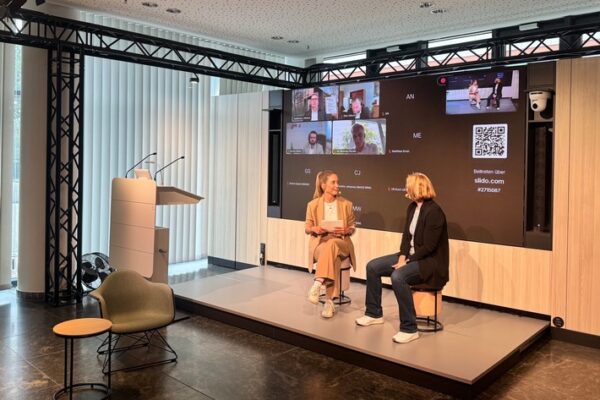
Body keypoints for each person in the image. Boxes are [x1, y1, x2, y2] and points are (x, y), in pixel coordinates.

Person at [355, 172, 449, 344]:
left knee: (398, 276)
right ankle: (374, 313)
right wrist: (403, 256)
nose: (405, 189)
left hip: (429, 262)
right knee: (372, 267)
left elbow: (429, 247)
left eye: (408, 185)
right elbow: (406, 237)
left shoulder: (434, 212)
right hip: (410, 257)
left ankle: (409, 328)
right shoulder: (412, 207)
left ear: (417, 187)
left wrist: (406, 261)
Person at [305, 171, 356, 318]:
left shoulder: (346, 204)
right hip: (321, 243)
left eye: (337, 182)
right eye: (333, 182)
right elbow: (307, 228)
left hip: (342, 242)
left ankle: (317, 283)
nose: (337, 185)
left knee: (333, 244)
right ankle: (329, 302)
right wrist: (315, 229)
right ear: (323, 185)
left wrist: (347, 230)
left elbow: (352, 227)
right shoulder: (313, 205)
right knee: (333, 255)